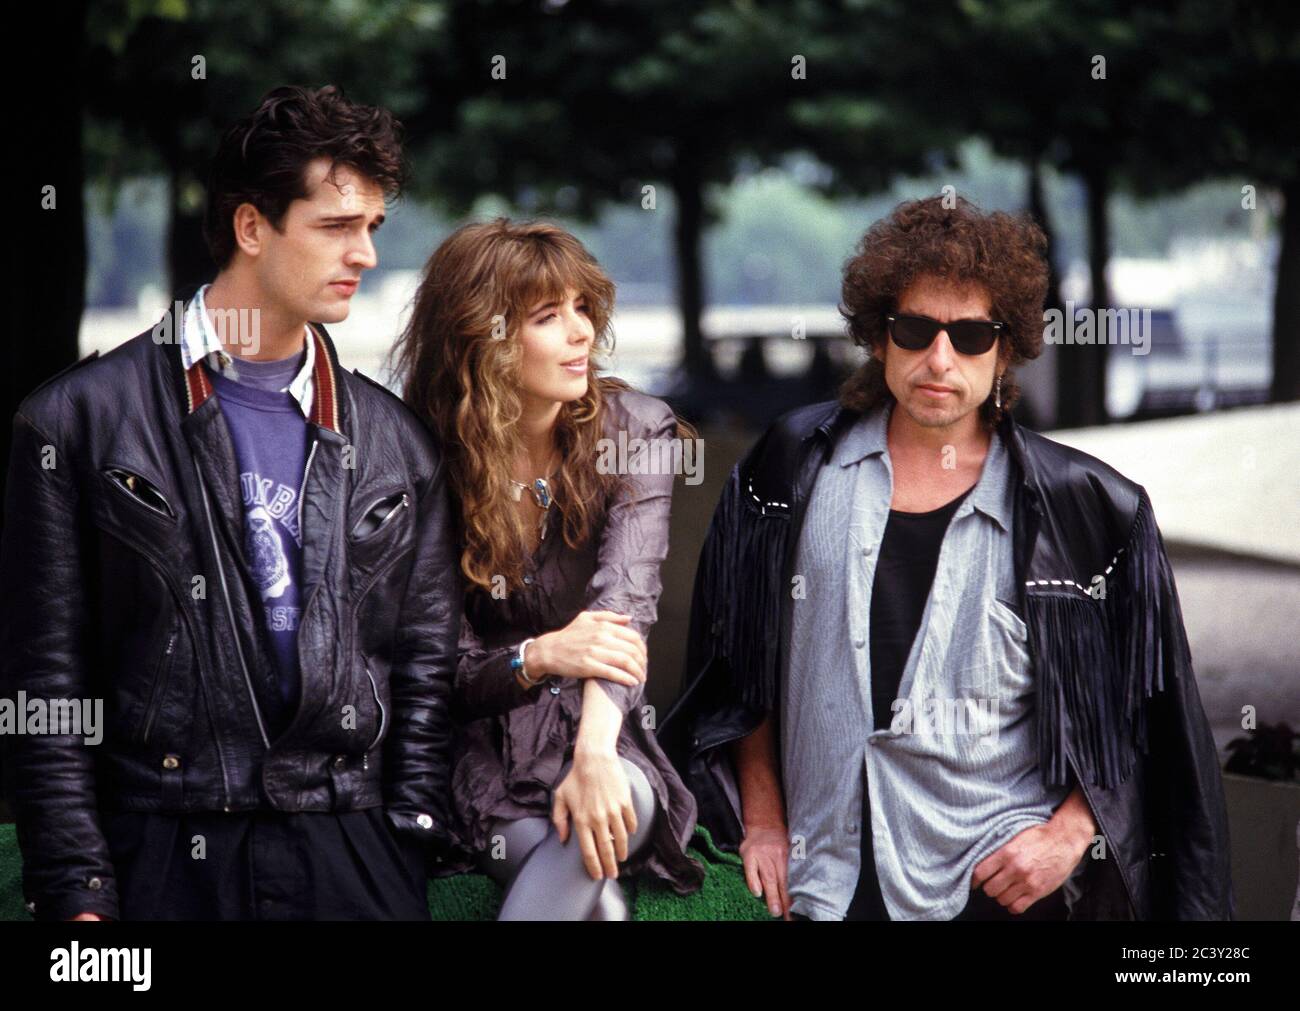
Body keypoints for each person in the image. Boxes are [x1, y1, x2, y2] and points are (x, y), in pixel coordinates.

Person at [660, 194, 1233, 922]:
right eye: (914, 329)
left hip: (997, 886)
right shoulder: (789, 468)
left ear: (1005, 347)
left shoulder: (1089, 507)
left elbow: (1150, 713)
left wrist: (1071, 830)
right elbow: (741, 666)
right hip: (819, 881)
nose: (939, 358)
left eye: (969, 335)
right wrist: (765, 817)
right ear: (878, 337)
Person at [0, 85, 460, 920]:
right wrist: (77, 888)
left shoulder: (400, 442)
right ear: (252, 227)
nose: (365, 253)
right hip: (160, 848)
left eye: (372, 228)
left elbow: (425, 662)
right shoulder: (76, 420)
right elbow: (45, 679)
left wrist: (405, 835)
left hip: (350, 848)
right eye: (335, 226)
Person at [390, 218, 705, 919]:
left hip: (607, 735)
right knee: (586, 890)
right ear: (486, 338)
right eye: (547, 316)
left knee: (610, 806)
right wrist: (538, 655)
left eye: (583, 308)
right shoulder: (424, 461)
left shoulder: (636, 431)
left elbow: (627, 598)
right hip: (485, 762)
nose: (581, 332)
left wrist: (595, 751)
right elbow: (439, 669)